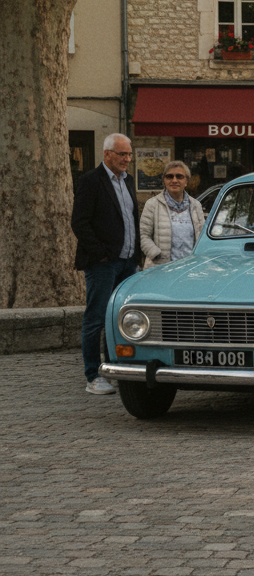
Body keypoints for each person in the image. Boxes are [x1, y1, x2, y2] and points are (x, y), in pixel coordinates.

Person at [70, 133, 141, 395]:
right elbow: (79, 222)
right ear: (107, 154)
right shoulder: (91, 180)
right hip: (103, 264)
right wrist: (100, 253)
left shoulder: (128, 180)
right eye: (122, 154)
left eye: (129, 154)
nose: (127, 159)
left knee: (121, 319)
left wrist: (136, 256)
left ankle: (116, 369)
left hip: (128, 262)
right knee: (96, 318)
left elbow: (131, 219)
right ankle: (93, 376)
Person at [139, 160, 206, 268]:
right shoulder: (152, 205)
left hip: (189, 268)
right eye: (169, 176)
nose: (174, 180)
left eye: (179, 176)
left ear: (186, 181)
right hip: (160, 269)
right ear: (164, 180)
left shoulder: (196, 205)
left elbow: (202, 236)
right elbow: (143, 235)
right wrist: (155, 254)